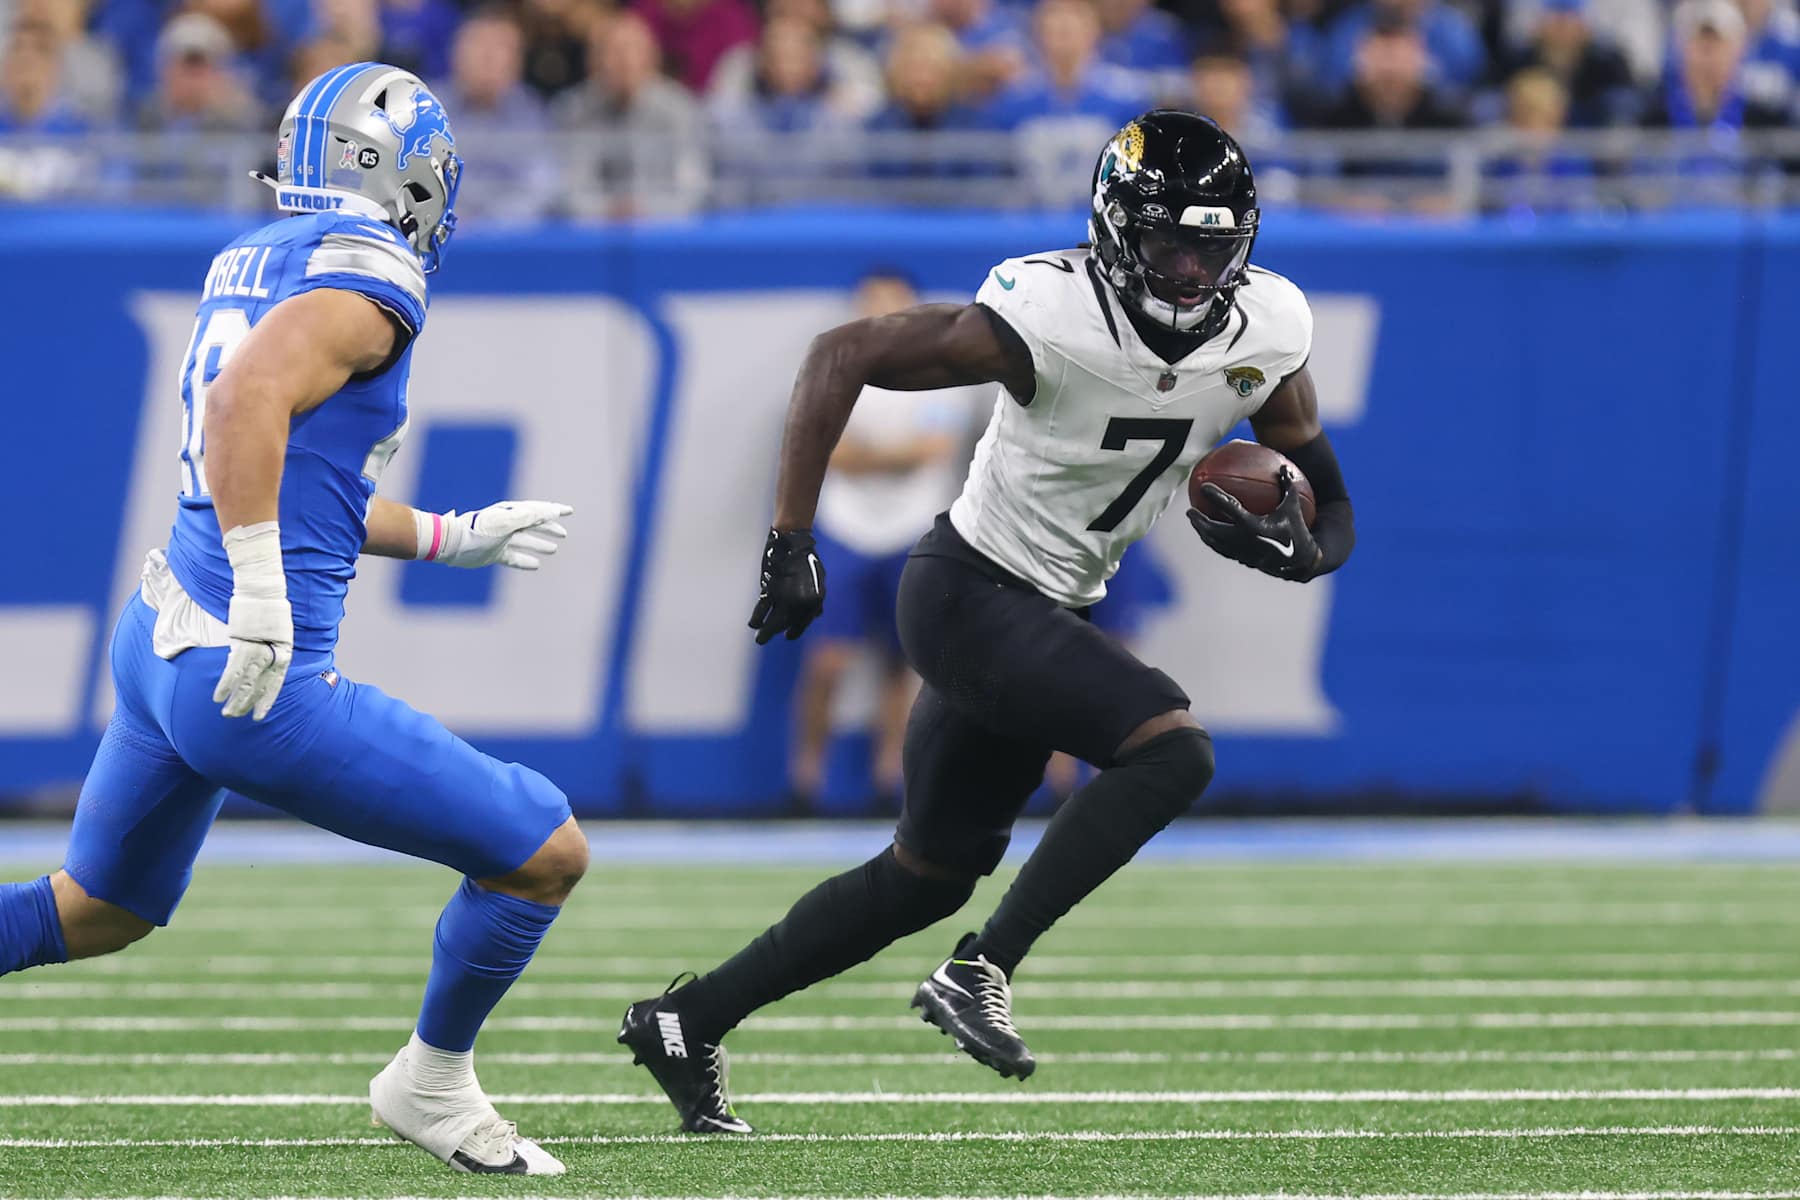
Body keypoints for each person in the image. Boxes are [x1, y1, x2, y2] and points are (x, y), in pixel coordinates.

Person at [618, 110, 1355, 1133]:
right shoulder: (1047, 310)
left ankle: (686, 1021)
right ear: (1113, 230)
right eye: (1170, 244)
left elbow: (1334, 502)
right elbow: (842, 353)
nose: (1191, 272)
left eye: (1213, 247)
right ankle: (984, 970)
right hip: (969, 591)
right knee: (1173, 752)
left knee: (925, 876)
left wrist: (1304, 549)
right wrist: (792, 538)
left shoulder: (1266, 329)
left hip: (1045, 609)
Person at [0, 62, 586, 1175]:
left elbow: (290, 466)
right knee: (543, 850)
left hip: (160, 632)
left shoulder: (257, 256)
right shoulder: (370, 280)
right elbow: (243, 407)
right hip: (249, 677)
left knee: (92, 909)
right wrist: (266, 593)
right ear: (394, 172)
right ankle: (430, 1084)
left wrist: (450, 535)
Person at [788, 271, 977, 814]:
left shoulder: (946, 373)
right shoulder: (831, 368)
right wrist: (893, 453)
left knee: (904, 663)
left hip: (914, 529)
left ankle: (889, 780)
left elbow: (933, 449)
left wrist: (867, 452)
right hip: (845, 529)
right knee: (827, 661)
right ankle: (804, 782)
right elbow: (828, 450)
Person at [551, 10, 708, 218]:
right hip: (595, 236)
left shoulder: (679, 108)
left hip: (666, 233)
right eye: (614, 51)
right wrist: (608, 211)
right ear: (594, 61)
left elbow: (693, 188)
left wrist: (648, 211)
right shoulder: (575, 110)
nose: (625, 61)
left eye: (634, 50)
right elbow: (570, 188)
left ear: (652, 58)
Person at [1496, 0, 1638, 128]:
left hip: (1590, 129)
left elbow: (1629, 96)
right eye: (1556, 19)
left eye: (1570, 18)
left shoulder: (1607, 60)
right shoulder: (1519, 59)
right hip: (1534, 132)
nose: (1562, 27)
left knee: (1620, 104)